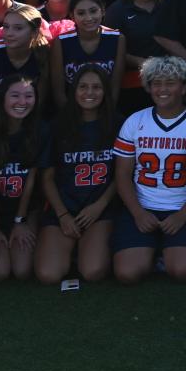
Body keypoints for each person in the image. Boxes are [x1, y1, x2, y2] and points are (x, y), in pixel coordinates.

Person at [111, 56, 186, 284]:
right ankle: (154, 251)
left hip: (182, 208)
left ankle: (162, 251)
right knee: (127, 274)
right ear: (148, 86)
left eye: (170, 83)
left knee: (184, 271)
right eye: (156, 83)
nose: (162, 89)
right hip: (143, 206)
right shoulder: (134, 121)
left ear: (185, 87)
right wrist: (138, 212)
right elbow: (122, 175)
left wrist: (183, 214)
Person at [35, 68, 121, 286]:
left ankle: (86, 249)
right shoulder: (57, 125)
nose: (89, 92)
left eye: (96, 87)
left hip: (99, 208)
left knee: (93, 271)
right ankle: (71, 251)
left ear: (105, 91)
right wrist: (62, 214)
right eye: (83, 86)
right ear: (73, 90)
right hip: (64, 207)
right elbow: (47, 177)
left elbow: (122, 174)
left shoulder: (119, 124)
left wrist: (99, 206)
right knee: (48, 274)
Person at [0, 76, 45, 282]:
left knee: (22, 270)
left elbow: (32, 178)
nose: (22, 102)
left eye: (29, 96)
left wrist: (20, 220)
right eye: (15, 95)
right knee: (0, 272)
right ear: (2, 98)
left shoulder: (40, 129)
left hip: (23, 209)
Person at [0, 3, 49, 116]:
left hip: (28, 119)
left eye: (18, 28)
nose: (9, 33)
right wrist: (2, 124)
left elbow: (39, 100)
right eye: (6, 26)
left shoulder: (43, 53)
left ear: (34, 32)